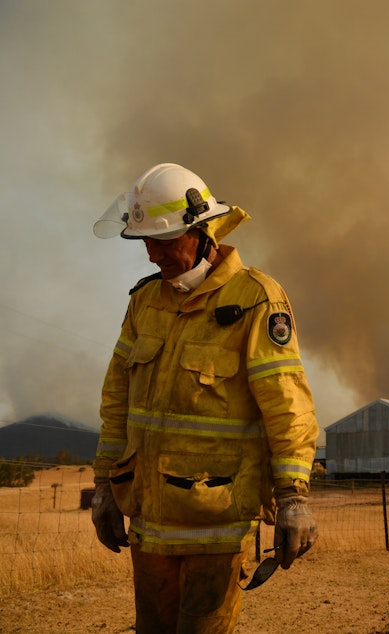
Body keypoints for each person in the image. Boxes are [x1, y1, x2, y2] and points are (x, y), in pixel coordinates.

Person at [90, 163, 319, 633]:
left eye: (164, 241)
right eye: (146, 243)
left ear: (201, 232)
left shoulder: (256, 299)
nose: (153, 256)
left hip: (217, 527)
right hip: (150, 527)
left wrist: (293, 496)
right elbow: (118, 401)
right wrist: (103, 488)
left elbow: (287, 407)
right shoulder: (144, 302)